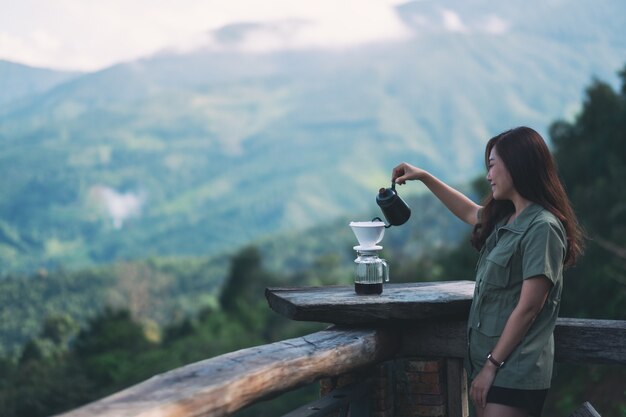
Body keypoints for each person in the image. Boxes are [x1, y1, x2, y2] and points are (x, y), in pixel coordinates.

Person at [391, 126, 584, 417]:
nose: (488, 175)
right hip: (492, 366)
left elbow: (530, 306)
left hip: (514, 370)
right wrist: (425, 177)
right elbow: (471, 212)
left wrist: (491, 366)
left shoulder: (542, 227)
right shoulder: (508, 218)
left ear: (517, 165)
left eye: (492, 166)